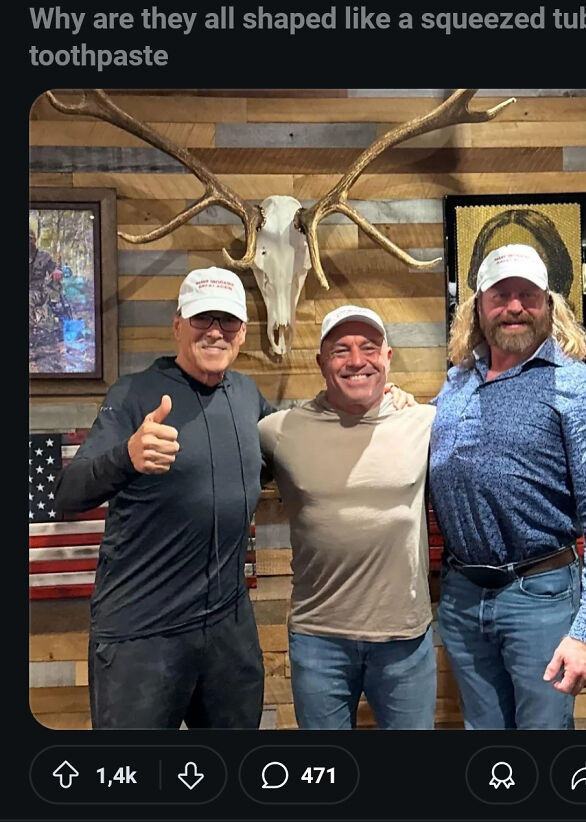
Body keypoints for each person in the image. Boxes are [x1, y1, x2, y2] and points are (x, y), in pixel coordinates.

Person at [55, 267, 271, 729]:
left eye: (226, 321)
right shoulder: (134, 394)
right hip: (142, 635)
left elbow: (292, 437)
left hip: (228, 634)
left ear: (242, 333)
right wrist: (127, 457)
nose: (214, 331)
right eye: (201, 319)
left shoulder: (247, 395)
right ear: (177, 324)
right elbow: (69, 493)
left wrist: (380, 402)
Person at [430, 244, 586, 729]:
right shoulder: (456, 383)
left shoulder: (579, 389)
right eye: (500, 295)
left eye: (527, 295)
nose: (514, 306)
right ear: (478, 306)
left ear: (549, 304)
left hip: (539, 597)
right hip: (462, 597)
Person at [258, 305, 437, 729]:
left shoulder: (424, 422)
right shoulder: (277, 431)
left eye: (369, 348)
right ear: (321, 362)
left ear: (388, 358)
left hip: (405, 641)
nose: (357, 360)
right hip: (319, 640)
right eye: (341, 350)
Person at [29, 229, 63, 328]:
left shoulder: (44, 256)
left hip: (38, 291)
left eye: (30, 239)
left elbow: (54, 269)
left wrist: (56, 271)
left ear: (34, 240)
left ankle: (30, 334)